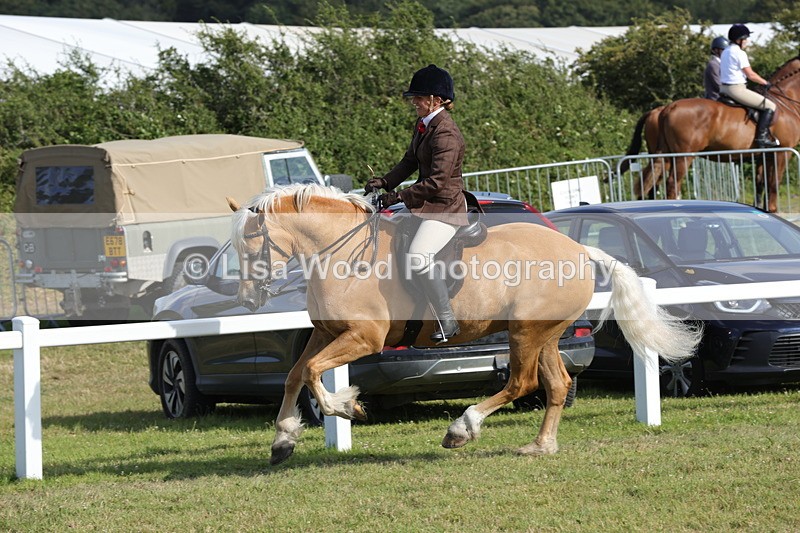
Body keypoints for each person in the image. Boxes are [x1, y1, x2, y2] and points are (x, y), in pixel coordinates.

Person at [364, 64, 468, 343]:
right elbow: (409, 162)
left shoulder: (446, 133)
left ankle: (447, 320)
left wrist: (398, 197)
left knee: (419, 256)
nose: (414, 102)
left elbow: (436, 181)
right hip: (425, 206)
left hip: (444, 209)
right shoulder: (425, 125)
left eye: (418, 98)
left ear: (436, 99)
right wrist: (385, 182)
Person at [719, 23, 779, 148]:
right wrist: (766, 83)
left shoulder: (725, 51)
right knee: (770, 106)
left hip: (724, 88)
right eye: (745, 39)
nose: (747, 41)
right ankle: (762, 138)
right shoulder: (739, 53)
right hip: (736, 89)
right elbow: (751, 75)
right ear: (739, 40)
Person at [704, 36, 729, 100]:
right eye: (723, 50)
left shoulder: (722, 64)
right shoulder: (713, 64)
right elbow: (719, 85)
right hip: (715, 98)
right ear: (715, 50)